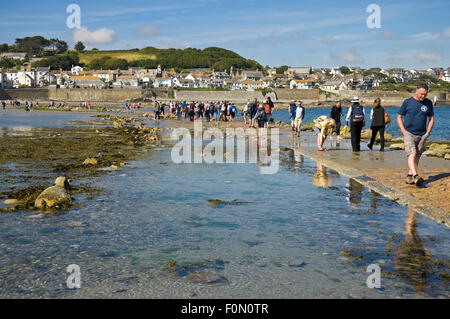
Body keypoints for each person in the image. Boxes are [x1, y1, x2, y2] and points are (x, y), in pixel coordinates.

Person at [397, 83, 434, 186]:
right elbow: (399, 117)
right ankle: (416, 176)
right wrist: (404, 131)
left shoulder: (428, 103)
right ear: (416, 91)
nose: (423, 96)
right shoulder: (407, 102)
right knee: (412, 154)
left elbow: (431, 119)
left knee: (417, 156)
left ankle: (410, 176)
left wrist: (427, 133)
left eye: (425, 94)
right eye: (421, 94)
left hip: (422, 134)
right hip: (409, 133)